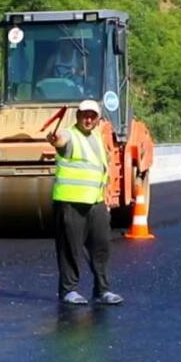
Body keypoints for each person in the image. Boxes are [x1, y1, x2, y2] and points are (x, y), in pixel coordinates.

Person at [46, 99, 122, 306]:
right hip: (70, 202)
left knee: (101, 246)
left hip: (95, 203)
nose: (88, 119)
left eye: (92, 116)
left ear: (97, 119)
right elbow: (59, 140)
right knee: (70, 248)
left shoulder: (97, 138)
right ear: (77, 116)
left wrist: (104, 199)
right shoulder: (70, 135)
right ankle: (68, 290)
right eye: (84, 115)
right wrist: (54, 139)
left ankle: (102, 290)